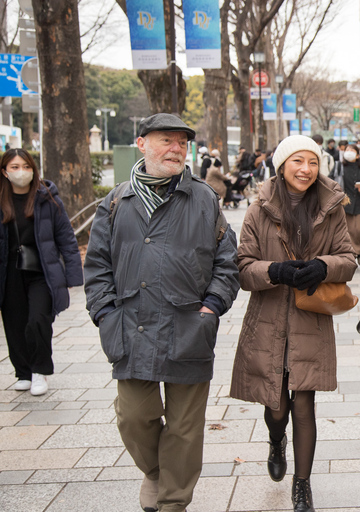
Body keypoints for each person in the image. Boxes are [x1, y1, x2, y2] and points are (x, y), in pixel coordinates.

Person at [84, 113, 240, 512]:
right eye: (166, 140)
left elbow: (227, 261)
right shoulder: (117, 201)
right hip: (129, 326)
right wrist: (104, 312)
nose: (176, 149)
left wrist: (213, 305)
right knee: (134, 417)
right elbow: (97, 265)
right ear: (141, 144)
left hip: (190, 324)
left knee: (186, 429)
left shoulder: (203, 197)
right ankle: (156, 472)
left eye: (182, 143)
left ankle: (173, 501)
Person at [230, 135, 357, 512]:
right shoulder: (259, 208)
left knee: (304, 403)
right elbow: (242, 267)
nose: (306, 169)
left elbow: (348, 259)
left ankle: (302, 486)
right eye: (298, 161)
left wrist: (323, 266)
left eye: (313, 162)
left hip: (311, 319)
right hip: (268, 320)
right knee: (276, 406)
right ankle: (275, 440)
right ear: (282, 165)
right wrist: (275, 270)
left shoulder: (332, 206)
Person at [0, 148, 83, 396]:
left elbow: (66, 239)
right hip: (9, 273)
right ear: (4, 172)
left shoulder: (47, 198)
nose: (21, 172)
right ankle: (23, 372)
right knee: (14, 325)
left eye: (25, 167)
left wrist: (72, 275)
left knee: (38, 320)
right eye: (14, 167)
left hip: (42, 271)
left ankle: (40, 370)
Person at [341, 143, 360, 265]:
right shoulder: (340, 167)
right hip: (345, 203)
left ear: (357, 155)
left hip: (359, 201)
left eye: (352, 150)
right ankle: (355, 253)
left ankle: (359, 249)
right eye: (347, 150)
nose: (349, 151)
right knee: (350, 230)